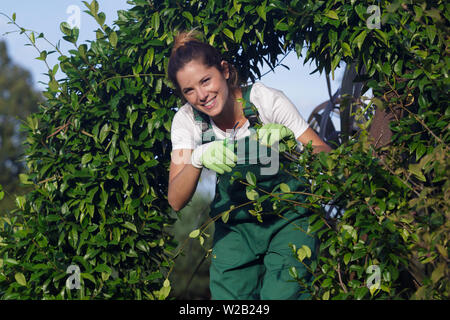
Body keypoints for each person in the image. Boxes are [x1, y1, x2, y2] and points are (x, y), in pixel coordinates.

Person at [167, 30, 331, 300]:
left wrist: (294, 141)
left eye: (206, 81)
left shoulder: (264, 100)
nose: (201, 95)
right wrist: (196, 160)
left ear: (225, 70)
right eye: (189, 91)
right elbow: (175, 199)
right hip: (235, 228)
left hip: (288, 219)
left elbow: (326, 152)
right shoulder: (188, 121)